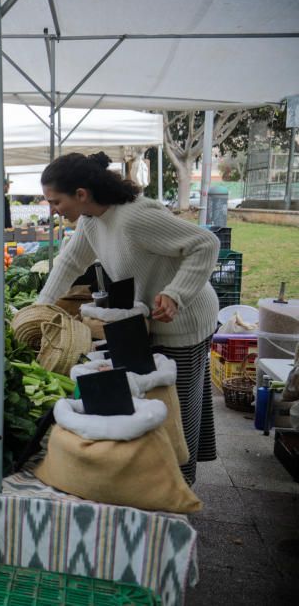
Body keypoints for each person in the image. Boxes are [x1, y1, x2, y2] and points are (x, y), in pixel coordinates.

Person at [35, 151, 220, 485]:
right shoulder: (92, 221)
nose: (53, 210)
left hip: (185, 319)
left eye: (55, 201)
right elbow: (69, 263)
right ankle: (163, 482)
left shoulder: (134, 217)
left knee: (176, 411)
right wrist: (39, 311)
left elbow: (205, 243)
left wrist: (177, 293)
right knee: (163, 403)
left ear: (81, 194)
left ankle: (179, 489)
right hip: (148, 319)